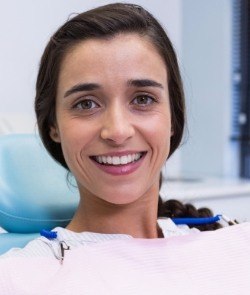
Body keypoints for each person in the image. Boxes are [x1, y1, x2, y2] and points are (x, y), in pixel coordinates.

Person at [1, 3, 249, 294]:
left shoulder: (233, 240)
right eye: (86, 104)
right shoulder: (18, 278)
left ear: (173, 117)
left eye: (142, 99)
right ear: (53, 125)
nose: (118, 131)